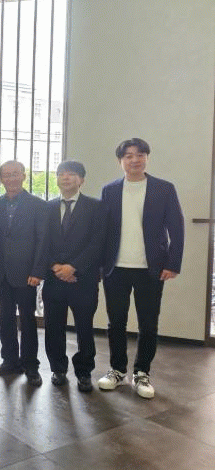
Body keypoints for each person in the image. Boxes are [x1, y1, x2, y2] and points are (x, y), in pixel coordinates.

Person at [97, 138, 184, 399]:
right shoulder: (109, 190)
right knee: (116, 322)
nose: (134, 160)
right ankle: (117, 370)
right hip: (116, 268)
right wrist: (100, 264)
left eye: (140, 155)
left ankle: (142, 372)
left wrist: (173, 264)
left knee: (148, 323)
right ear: (120, 161)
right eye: (128, 156)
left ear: (147, 158)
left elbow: (177, 229)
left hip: (151, 268)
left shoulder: (164, 189)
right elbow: (103, 231)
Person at [0, 160, 48, 386]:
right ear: (1, 179)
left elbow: (42, 240)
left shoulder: (38, 205)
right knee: (6, 318)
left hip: (27, 273)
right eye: (6, 175)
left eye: (15, 174)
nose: (11, 178)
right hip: (0, 272)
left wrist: (38, 270)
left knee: (28, 320)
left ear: (24, 176)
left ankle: (31, 365)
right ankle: (10, 360)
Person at [42, 161, 105, 392]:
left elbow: (98, 243)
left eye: (71, 174)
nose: (65, 177)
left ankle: (84, 371)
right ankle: (58, 369)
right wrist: (56, 267)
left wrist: (73, 267)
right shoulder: (46, 207)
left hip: (83, 279)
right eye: (61, 174)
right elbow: (41, 242)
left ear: (82, 180)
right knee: (53, 327)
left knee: (84, 328)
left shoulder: (96, 207)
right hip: (54, 278)